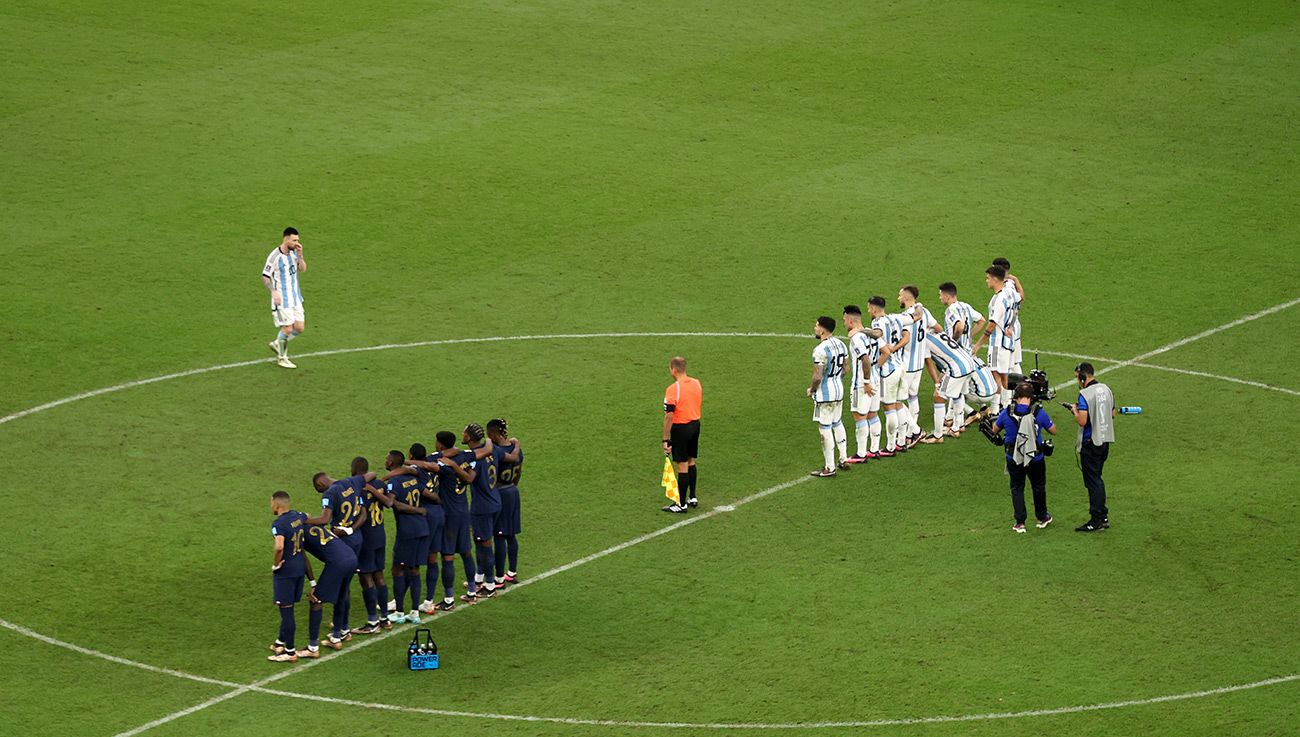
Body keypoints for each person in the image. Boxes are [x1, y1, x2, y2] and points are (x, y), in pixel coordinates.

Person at [307, 470, 370, 640]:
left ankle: (340, 631)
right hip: (357, 538)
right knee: (345, 587)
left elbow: (325, 519)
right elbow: (364, 511)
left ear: (320, 484)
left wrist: (303, 520)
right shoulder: (352, 483)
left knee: (341, 590)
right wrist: (351, 529)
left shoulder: (329, 493)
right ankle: (343, 627)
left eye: (317, 490)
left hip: (344, 543)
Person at [993, 383, 1057, 533]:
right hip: (1035, 457)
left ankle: (1020, 522)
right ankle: (1042, 517)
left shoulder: (1007, 412)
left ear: (1016, 397)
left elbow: (995, 429)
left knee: (1017, 488)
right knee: (1038, 487)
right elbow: (1053, 430)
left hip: (1013, 457)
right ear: (1031, 397)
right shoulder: (1039, 412)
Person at [1067, 362, 1116, 532]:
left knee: (1094, 481)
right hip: (1105, 441)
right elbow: (1112, 413)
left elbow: (1082, 421)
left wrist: (1074, 410)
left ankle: (1097, 519)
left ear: (1082, 376)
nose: (1077, 381)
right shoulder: (1106, 389)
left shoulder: (1085, 394)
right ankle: (1102, 515)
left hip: (1090, 443)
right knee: (1097, 478)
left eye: (1077, 378)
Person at [382, 451, 429, 623]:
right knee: (414, 569)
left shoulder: (394, 482)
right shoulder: (414, 478)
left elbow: (392, 503)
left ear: (393, 461)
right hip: (422, 528)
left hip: (408, 531)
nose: (385, 461)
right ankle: (415, 612)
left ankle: (400, 612)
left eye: (387, 459)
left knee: (398, 569)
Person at [300, 518, 358, 655]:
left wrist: (313, 582)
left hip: (338, 562)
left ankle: (312, 647)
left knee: (316, 600)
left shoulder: (297, 533)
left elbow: (303, 559)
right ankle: (337, 637)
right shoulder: (315, 525)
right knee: (342, 595)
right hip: (352, 557)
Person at [350, 457, 392, 633]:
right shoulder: (380, 485)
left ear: (354, 470)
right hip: (380, 535)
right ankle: (385, 618)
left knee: (365, 578)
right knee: (379, 576)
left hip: (365, 539)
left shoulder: (356, 489)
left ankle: (372, 622)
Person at [971, 265, 1020, 414]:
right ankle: (1007, 407)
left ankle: (998, 410)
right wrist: (1010, 325)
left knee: (996, 376)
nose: (986, 281)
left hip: (997, 344)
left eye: (987, 278)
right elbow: (1019, 301)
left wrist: (978, 345)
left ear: (994, 278)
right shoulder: (1011, 293)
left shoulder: (999, 299)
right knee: (1004, 375)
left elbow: (991, 325)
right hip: (1008, 342)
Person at [867, 297, 911, 456]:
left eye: (869, 308)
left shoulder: (876, 324)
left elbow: (883, 349)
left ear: (873, 308)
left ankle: (891, 447)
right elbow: (913, 322)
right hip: (901, 366)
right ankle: (901, 442)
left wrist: (875, 367)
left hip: (889, 369)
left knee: (889, 407)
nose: (868, 311)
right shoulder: (896, 318)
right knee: (899, 404)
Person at [806, 316, 850, 476]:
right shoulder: (841, 344)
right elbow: (846, 368)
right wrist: (836, 379)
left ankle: (829, 467)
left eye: (817, 325)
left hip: (825, 394)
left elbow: (818, 376)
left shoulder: (820, 350)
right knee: (837, 423)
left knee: (825, 429)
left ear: (823, 329)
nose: (815, 328)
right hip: (839, 390)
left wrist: (812, 389)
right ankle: (844, 458)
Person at [897, 285, 941, 443]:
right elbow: (938, 329)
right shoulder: (925, 311)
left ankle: (915, 431)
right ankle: (910, 432)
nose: (898, 298)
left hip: (906, 364)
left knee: (896, 401)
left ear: (908, 298)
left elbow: (904, 339)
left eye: (900, 296)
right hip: (919, 364)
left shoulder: (906, 317)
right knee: (912, 396)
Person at [268, 491, 308, 663]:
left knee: (287, 611)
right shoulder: (298, 516)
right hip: (300, 568)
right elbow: (307, 516)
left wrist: (277, 564)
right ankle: (280, 641)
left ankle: (290, 652)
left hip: (286, 571)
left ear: (276, 504)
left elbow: (279, 547)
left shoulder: (279, 524)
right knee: (288, 607)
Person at [461, 423, 500, 596]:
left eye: (464, 433)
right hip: (494, 500)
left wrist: (456, 469)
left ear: (469, 437)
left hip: (482, 506)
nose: (462, 435)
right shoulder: (490, 452)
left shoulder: (475, 458)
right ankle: (479, 577)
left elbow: (469, 478)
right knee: (479, 541)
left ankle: (490, 585)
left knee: (485, 543)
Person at [262, 227, 307, 369]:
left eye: (297, 240)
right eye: (294, 240)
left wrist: (300, 256)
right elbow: (265, 276)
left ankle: (277, 343)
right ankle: (282, 358)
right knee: (287, 329)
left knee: (299, 328)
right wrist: (273, 292)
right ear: (286, 239)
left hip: (296, 297)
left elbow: (303, 269)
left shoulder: (295, 253)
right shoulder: (274, 256)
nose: (296, 243)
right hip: (282, 299)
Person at [661, 356, 703, 512]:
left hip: (681, 429)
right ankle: (693, 497)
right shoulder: (697, 383)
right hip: (695, 425)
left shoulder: (673, 389)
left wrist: (665, 439)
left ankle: (681, 504)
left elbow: (669, 416)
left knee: (682, 464)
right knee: (691, 460)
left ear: (673, 370)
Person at [842, 306, 884, 462]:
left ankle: (861, 454)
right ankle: (874, 449)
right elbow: (881, 339)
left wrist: (865, 382)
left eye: (845, 320)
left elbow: (864, 359)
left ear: (851, 320)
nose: (844, 323)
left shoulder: (857, 338)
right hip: (876, 378)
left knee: (859, 416)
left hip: (862, 383)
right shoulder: (870, 333)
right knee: (873, 414)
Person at [488, 419, 524, 584]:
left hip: (500, 493)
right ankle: (512, 572)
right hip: (513, 491)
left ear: (493, 434)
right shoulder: (516, 448)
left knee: (500, 535)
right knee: (511, 534)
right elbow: (518, 473)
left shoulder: (496, 451)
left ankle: (499, 577)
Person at [992, 258, 1026, 374]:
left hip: (1007, 328)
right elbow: (1022, 297)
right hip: (1015, 325)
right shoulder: (1011, 283)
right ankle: (1021, 388)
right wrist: (1016, 279)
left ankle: (1015, 389)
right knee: (1014, 362)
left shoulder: (1006, 287)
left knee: (1008, 365)